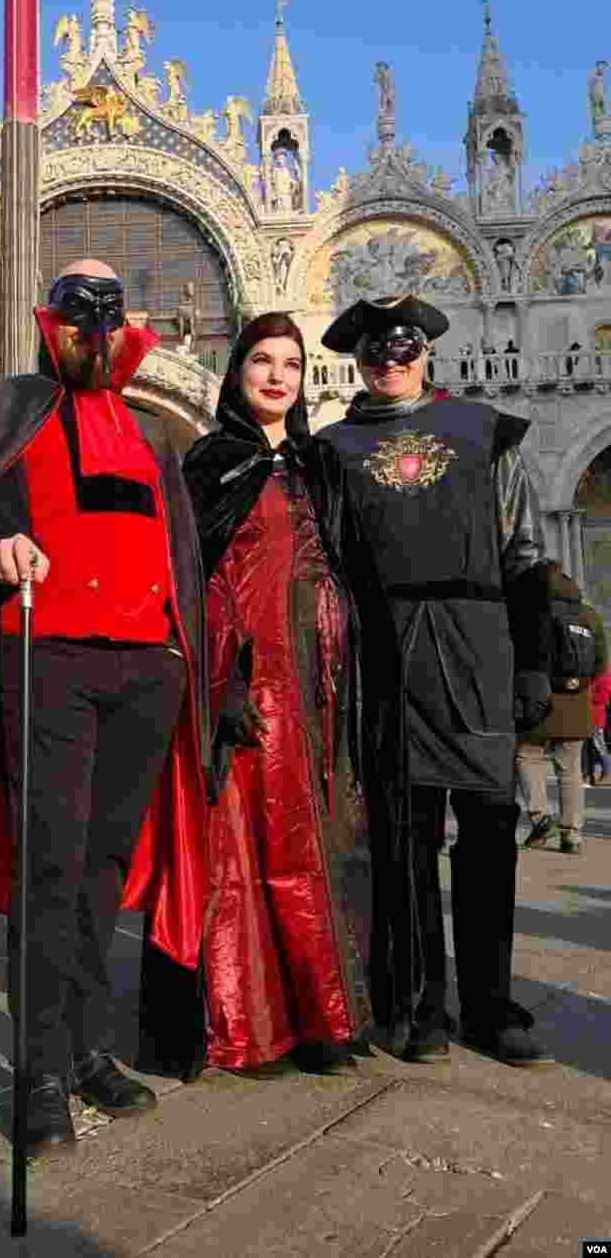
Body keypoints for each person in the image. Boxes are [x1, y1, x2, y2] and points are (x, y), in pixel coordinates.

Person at [0, 258, 208, 1159]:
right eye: (76, 307)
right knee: (49, 864)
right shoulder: (11, 407)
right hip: (48, 656)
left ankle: (84, 1049)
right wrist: (0, 543)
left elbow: (181, 547)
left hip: (145, 669)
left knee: (104, 871)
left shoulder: (155, 433)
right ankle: (34, 1068)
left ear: (125, 326)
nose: (92, 324)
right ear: (50, 321)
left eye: (108, 309)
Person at [135, 313, 372, 1083]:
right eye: (262, 361)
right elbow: (188, 579)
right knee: (239, 854)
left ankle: (318, 1015)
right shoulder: (210, 464)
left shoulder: (319, 466)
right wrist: (221, 673)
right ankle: (244, 1026)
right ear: (236, 371)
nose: (277, 376)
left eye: (292, 364)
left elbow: (344, 569)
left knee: (311, 851)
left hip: (315, 687)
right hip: (239, 686)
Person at [320, 294, 553, 1068]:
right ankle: (417, 1005)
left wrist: (533, 662)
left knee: (488, 834)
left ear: (427, 350)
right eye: (377, 348)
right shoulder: (333, 448)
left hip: (476, 644)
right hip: (383, 656)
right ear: (356, 358)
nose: (392, 357)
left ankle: (490, 1003)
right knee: (403, 839)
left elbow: (525, 554)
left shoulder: (485, 434)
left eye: (406, 343)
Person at [519, 564, 607, 854]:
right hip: (577, 703)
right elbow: (600, 663)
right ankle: (572, 835)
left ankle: (541, 817)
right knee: (570, 771)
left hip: (540, 701)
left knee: (528, 756)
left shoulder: (530, 613)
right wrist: (576, 683)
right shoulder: (589, 615)